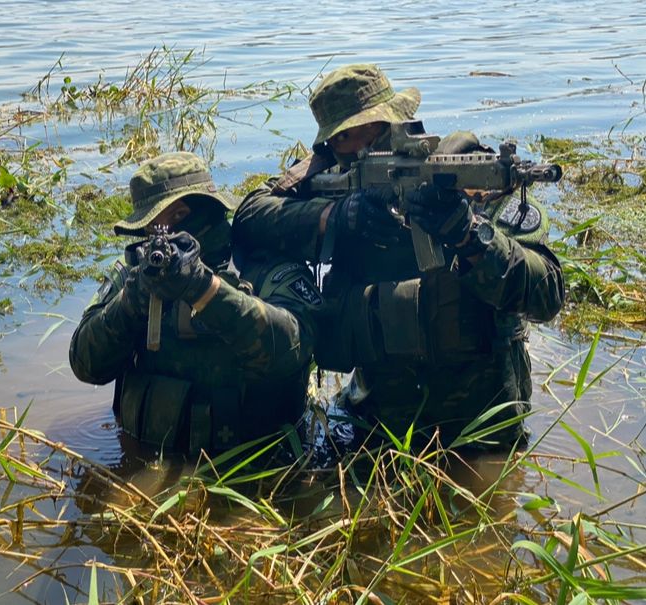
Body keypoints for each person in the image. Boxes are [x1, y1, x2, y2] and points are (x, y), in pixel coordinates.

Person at [232, 64, 565, 448]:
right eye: (345, 138)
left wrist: (469, 235)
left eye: (374, 130)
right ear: (332, 143)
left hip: (480, 426)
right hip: (376, 421)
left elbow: (547, 295)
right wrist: (334, 217)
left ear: (399, 120)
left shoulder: (464, 175)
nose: (364, 147)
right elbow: (249, 218)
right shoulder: (335, 174)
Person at [69, 151, 321, 455]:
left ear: (205, 209)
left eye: (175, 218)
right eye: (151, 227)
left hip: (255, 466)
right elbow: (86, 366)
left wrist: (206, 290)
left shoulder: (263, 265)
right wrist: (131, 301)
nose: (161, 237)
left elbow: (293, 347)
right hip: (147, 454)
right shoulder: (137, 273)